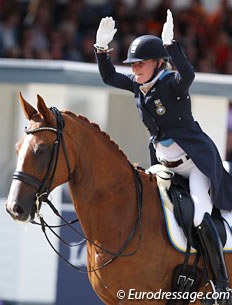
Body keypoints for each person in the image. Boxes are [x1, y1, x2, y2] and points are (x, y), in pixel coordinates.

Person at [94, 10, 232, 304]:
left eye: (141, 63)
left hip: (195, 165)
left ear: (158, 63)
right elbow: (107, 76)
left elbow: (189, 75)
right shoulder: (136, 85)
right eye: (133, 64)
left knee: (198, 215)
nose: (135, 69)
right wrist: (101, 50)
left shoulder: (172, 84)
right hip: (163, 165)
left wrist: (172, 46)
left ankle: (221, 285)